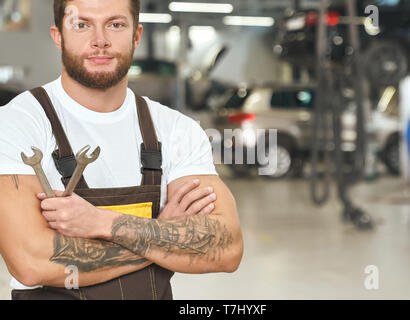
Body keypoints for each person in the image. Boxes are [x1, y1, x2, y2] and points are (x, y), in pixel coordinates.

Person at [0, 0, 243, 300]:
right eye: (81, 24)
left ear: (136, 36)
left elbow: (226, 246)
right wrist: (157, 234)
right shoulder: (18, 123)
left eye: (115, 24)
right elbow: (31, 262)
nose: (99, 40)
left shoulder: (177, 130)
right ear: (58, 36)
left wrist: (103, 223)